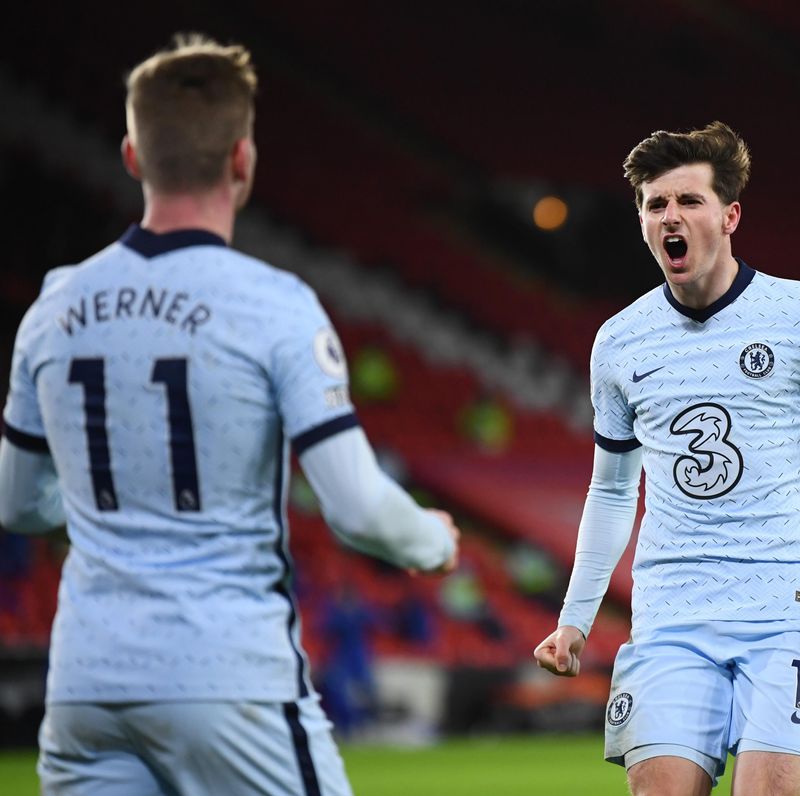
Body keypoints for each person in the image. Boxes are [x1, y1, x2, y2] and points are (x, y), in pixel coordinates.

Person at [0, 33, 460, 795]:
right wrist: (430, 541)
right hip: (226, 677)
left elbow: (16, 502)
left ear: (131, 156)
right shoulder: (272, 305)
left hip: (85, 683)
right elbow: (354, 507)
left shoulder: (54, 306)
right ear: (242, 160)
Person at [534, 122, 800, 796]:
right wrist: (575, 618)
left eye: (689, 200)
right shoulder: (621, 343)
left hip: (785, 607)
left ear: (729, 215)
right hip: (669, 613)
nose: (671, 217)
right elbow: (610, 491)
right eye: (656, 205)